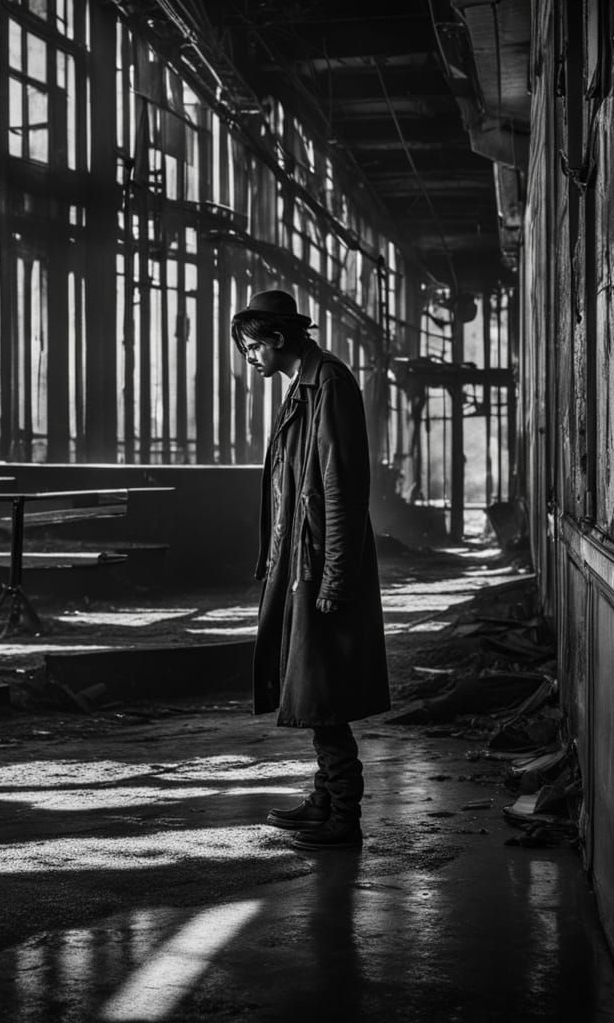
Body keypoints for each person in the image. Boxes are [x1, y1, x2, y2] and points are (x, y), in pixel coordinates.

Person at [231, 288, 390, 850]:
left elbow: (342, 488)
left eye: (252, 346)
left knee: (321, 686)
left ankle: (343, 816)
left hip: (321, 559)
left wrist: (337, 576)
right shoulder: (305, 384)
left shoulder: (329, 384)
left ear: (278, 339)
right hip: (301, 556)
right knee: (309, 684)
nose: (249, 357)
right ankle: (325, 798)